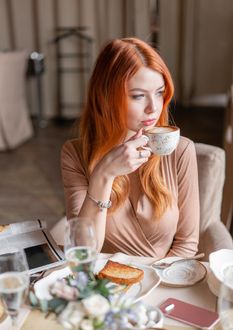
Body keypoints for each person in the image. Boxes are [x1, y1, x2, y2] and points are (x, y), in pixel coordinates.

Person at [61, 37, 200, 259]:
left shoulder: (181, 151)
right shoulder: (75, 154)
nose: (153, 108)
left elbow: (187, 244)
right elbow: (83, 251)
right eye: (138, 96)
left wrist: (154, 285)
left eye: (159, 92)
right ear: (106, 97)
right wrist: (104, 174)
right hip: (108, 286)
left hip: (164, 283)